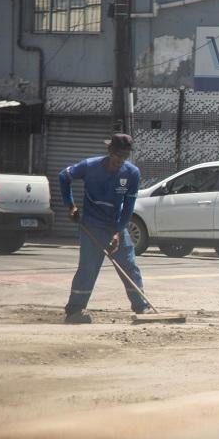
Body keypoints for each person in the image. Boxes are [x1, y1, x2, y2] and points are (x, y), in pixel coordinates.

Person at [59, 133, 149, 324]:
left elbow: (128, 206)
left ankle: (142, 308)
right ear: (109, 151)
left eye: (124, 157)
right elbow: (63, 177)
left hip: (115, 225)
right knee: (88, 268)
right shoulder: (89, 166)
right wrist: (70, 205)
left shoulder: (131, 173)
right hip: (91, 224)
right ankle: (74, 311)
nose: (120, 161)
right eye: (117, 155)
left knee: (129, 265)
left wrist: (118, 232)